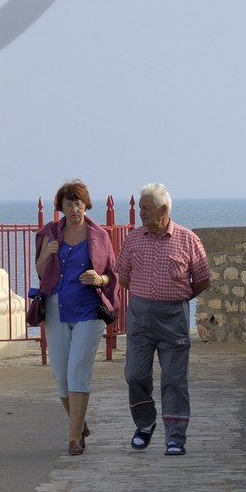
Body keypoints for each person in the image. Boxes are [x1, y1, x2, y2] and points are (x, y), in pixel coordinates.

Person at [116, 182, 212, 457]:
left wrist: (178, 299)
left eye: (146, 208)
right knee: (135, 375)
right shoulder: (133, 239)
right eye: (139, 207)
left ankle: (175, 437)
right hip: (140, 318)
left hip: (174, 318)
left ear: (164, 209)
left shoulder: (188, 239)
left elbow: (204, 279)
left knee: (174, 379)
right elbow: (123, 276)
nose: (140, 213)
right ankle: (145, 424)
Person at [34, 178, 119, 455]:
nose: (74, 210)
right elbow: (38, 270)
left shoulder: (99, 236)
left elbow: (112, 275)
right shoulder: (50, 233)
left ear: (86, 206)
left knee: (77, 371)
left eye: (78, 204)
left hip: (88, 310)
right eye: (69, 204)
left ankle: (73, 438)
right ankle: (79, 423)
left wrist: (99, 278)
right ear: (60, 207)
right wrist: (47, 253)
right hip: (56, 309)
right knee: (61, 376)